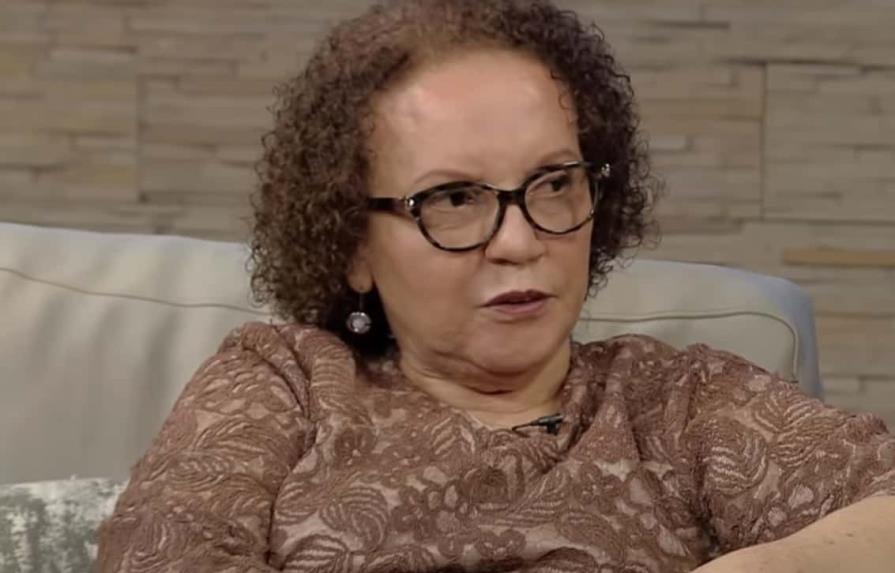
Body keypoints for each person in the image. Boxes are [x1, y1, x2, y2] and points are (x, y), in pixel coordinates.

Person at [97, 0, 895, 571]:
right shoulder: (286, 379)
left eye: (554, 183)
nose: (519, 241)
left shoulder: (679, 402)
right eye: (452, 199)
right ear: (354, 246)